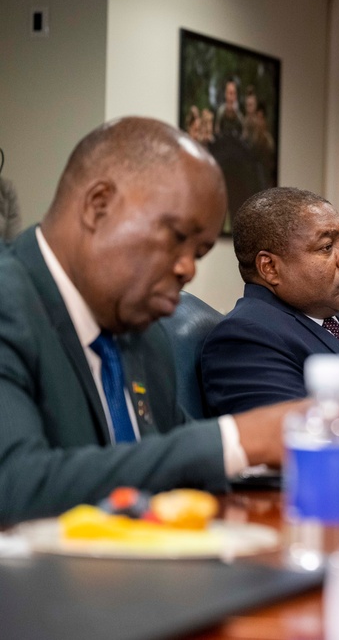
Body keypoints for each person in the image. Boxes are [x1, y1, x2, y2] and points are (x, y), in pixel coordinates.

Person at [0, 117, 303, 524]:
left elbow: (171, 465)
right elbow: (13, 485)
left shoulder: (146, 338)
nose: (188, 269)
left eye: (198, 253)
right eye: (177, 237)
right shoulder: (9, 304)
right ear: (98, 206)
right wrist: (236, 439)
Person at [201, 187, 339, 441]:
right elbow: (296, 445)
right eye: (326, 247)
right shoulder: (246, 338)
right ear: (270, 268)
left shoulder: (326, 320)